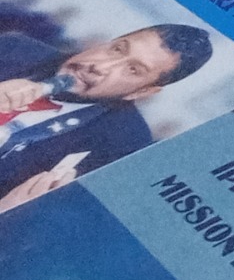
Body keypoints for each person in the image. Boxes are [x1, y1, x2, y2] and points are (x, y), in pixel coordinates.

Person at [0, 24, 213, 211]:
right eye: (117, 49)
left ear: (142, 92)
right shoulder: (14, 49)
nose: (99, 67)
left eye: (133, 70)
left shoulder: (123, 145)